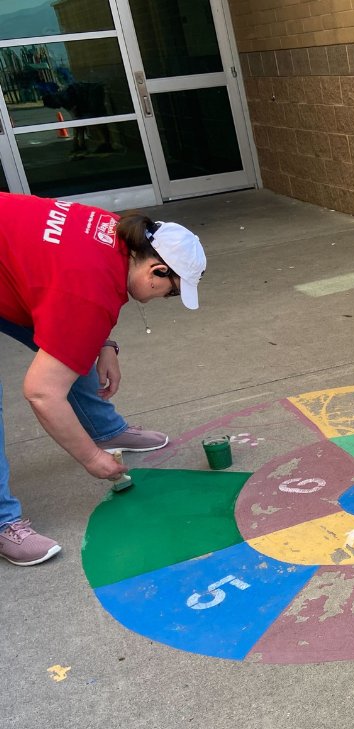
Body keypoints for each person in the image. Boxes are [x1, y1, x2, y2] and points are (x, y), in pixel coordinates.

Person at [0, 193, 206, 565]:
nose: (167, 298)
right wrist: (92, 459)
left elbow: (71, 307)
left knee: (69, 347)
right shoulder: (87, 289)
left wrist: (104, 343)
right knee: (53, 372)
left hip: (8, 272)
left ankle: (102, 428)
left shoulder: (117, 232)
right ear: (157, 271)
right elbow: (41, 394)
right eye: (173, 291)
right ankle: (1, 522)